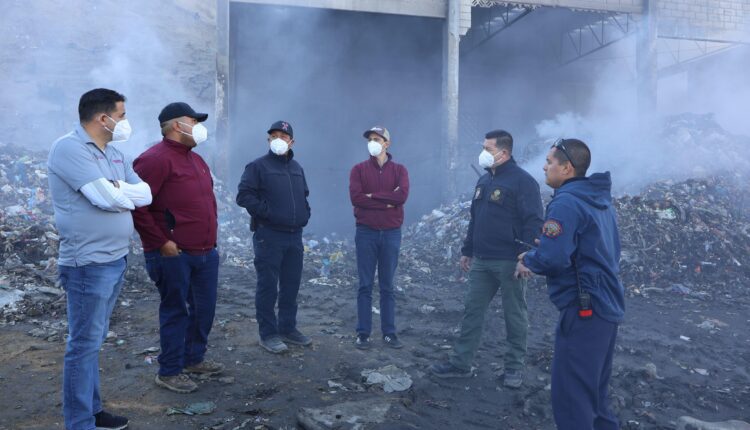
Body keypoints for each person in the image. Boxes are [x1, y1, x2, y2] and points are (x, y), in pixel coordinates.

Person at [48, 88, 152, 430]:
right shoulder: (69, 148)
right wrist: (119, 193)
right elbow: (103, 198)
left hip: (116, 259)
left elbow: (146, 193)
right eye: (121, 115)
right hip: (87, 264)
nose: (124, 122)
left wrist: (117, 191)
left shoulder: (115, 153)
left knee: (93, 342)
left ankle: (92, 411)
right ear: (101, 118)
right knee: (83, 344)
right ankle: (79, 421)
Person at [515, 138, 625, 429]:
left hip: (583, 308)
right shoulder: (598, 200)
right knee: (596, 397)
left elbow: (554, 258)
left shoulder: (566, 201)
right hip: (606, 306)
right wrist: (548, 250)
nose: (544, 166)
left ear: (566, 168)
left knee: (572, 399)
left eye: (549, 162)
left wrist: (530, 258)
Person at [429, 130, 543, 388]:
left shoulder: (523, 182)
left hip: (509, 262)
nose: (483, 153)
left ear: (503, 153)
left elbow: (534, 221)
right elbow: (475, 218)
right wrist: (467, 250)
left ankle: (514, 368)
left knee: (514, 315)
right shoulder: (484, 181)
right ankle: (461, 364)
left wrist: (526, 258)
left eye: (488, 149)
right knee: (472, 311)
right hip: (481, 260)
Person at [132, 102, 223, 393]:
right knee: (176, 311)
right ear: (175, 125)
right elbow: (138, 207)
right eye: (193, 120)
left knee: (204, 310)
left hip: (205, 252)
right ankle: (169, 370)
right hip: (174, 254)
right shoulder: (154, 159)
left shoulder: (196, 160)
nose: (198, 126)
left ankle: (193, 359)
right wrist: (161, 243)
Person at [236, 120, 312, 354]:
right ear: (268, 139)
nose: (278, 138)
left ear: (292, 141)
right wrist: (268, 213)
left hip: (294, 236)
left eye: (283, 135)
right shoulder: (257, 166)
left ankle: (288, 328)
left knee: (291, 285)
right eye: (274, 135)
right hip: (268, 235)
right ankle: (268, 334)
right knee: (268, 286)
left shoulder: (297, 168)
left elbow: (304, 195)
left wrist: (304, 214)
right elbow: (244, 196)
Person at [349, 126, 410, 349]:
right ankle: (363, 333)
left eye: (377, 139)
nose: (372, 142)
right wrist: (387, 200)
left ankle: (389, 333)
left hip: (391, 233)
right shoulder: (358, 170)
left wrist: (372, 196)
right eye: (370, 139)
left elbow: (401, 195)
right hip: (366, 232)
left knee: (387, 286)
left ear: (387, 144)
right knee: (365, 285)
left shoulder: (400, 170)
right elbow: (356, 198)